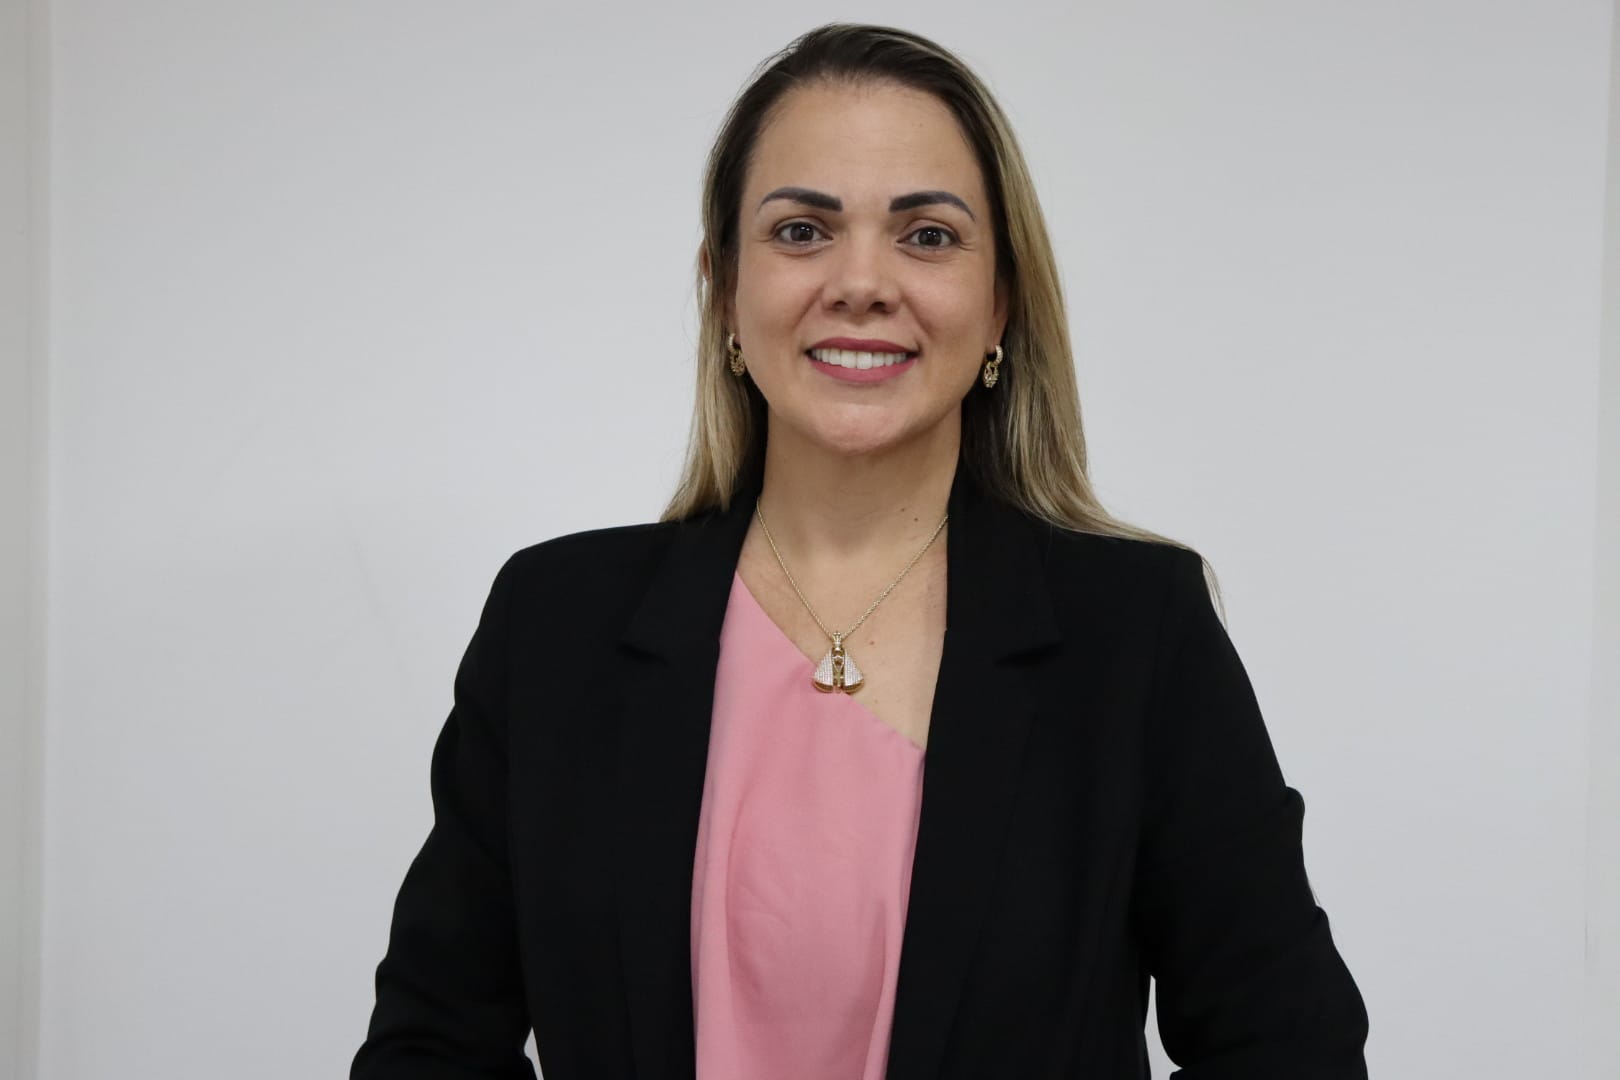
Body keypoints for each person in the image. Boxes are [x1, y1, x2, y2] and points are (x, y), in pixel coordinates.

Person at [350, 22, 1369, 1080]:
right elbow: (431, 1047)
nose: (862, 282)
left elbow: (1290, 1052)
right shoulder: (554, 624)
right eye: (802, 231)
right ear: (723, 289)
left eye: (927, 235)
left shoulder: (1140, 634)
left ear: (1001, 303)